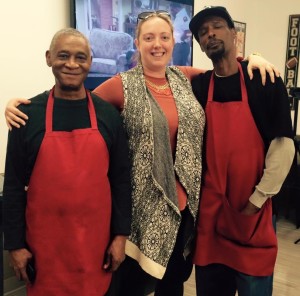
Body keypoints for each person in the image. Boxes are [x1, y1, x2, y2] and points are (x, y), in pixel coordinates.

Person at [4, 12, 279, 296]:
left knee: (173, 285)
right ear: (137, 43)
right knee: (133, 287)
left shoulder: (187, 78)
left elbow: (228, 70)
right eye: (148, 38)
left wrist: (254, 58)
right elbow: (74, 99)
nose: (157, 44)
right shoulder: (121, 85)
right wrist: (20, 106)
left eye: (163, 37)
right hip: (141, 215)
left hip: (185, 211)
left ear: (174, 41)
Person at [2, 28, 132, 296]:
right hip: (45, 250)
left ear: (90, 62)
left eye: (80, 57)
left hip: (96, 248)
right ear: (49, 58)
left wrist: (121, 236)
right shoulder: (26, 116)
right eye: (63, 55)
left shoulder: (108, 115)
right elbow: (14, 187)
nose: (72, 64)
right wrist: (14, 245)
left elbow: (121, 181)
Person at [189, 6, 295, 296]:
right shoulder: (198, 86)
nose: (210, 34)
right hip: (212, 216)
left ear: (234, 34)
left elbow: (283, 146)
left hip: (253, 212)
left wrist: (257, 200)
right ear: (200, 44)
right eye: (202, 32)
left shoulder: (264, 80)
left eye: (217, 26)